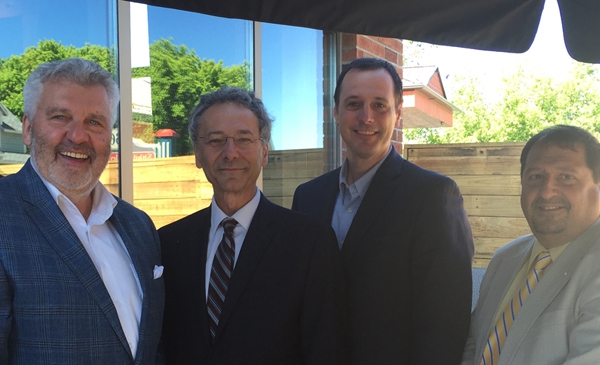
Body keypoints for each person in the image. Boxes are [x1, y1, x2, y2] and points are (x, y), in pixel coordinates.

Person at [292, 57, 474, 364]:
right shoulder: (307, 197)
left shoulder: (432, 196)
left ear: (398, 113)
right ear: (336, 113)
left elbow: (447, 322)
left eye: (379, 104)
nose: (366, 117)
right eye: (354, 104)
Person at [159, 86, 348, 364]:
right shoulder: (169, 243)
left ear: (264, 152)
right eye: (215, 140)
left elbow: (326, 350)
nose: (230, 153)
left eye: (244, 139)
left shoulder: (310, 243)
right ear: (198, 154)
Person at [0, 58, 164, 364]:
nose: (77, 136)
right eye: (60, 117)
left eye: (95, 122)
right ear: (27, 128)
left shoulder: (139, 226)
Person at [462, 125, 600, 364]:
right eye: (536, 176)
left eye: (566, 177)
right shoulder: (505, 258)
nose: (546, 192)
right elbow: (474, 345)